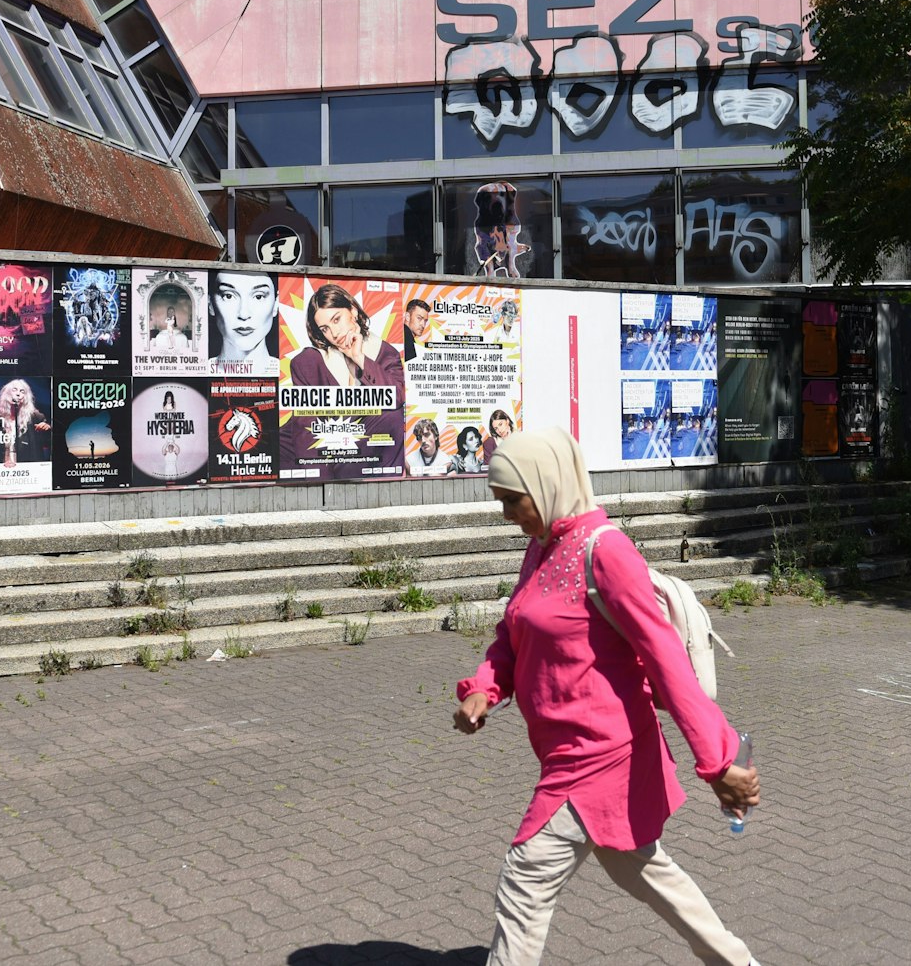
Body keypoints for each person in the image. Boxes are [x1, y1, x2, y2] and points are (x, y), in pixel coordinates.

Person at [454, 427, 761, 966]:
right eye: (501, 501)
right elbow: (513, 630)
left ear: (545, 484)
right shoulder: (544, 546)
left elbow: (667, 661)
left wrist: (717, 761)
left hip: (600, 753)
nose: (507, 514)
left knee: (525, 877)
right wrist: (485, 686)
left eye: (512, 499)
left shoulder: (606, 552)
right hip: (569, 749)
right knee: (647, 872)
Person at [283, 283, 406, 476]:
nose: (334, 333)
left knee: (394, 417)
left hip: (351, 455)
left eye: (337, 319)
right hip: (302, 458)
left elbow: (397, 397)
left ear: (353, 311)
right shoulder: (310, 361)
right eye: (324, 328)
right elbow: (305, 432)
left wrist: (359, 359)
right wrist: (322, 485)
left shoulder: (385, 353)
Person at [210, 270, 280, 375]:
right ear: (210, 304)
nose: (244, 314)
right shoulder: (195, 375)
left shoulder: (291, 373)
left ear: (276, 304)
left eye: (258, 297)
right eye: (228, 296)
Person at [0, 378, 50, 465]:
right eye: (14, 390)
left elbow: (47, 442)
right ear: (7, 394)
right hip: (3, 470)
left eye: (22, 391)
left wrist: (47, 428)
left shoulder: (35, 416)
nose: (18, 394)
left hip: (27, 469)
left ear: (25, 397)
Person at [144, 280, 199, 357]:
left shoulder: (181, 335)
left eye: (172, 311)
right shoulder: (160, 336)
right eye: (169, 311)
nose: (170, 313)